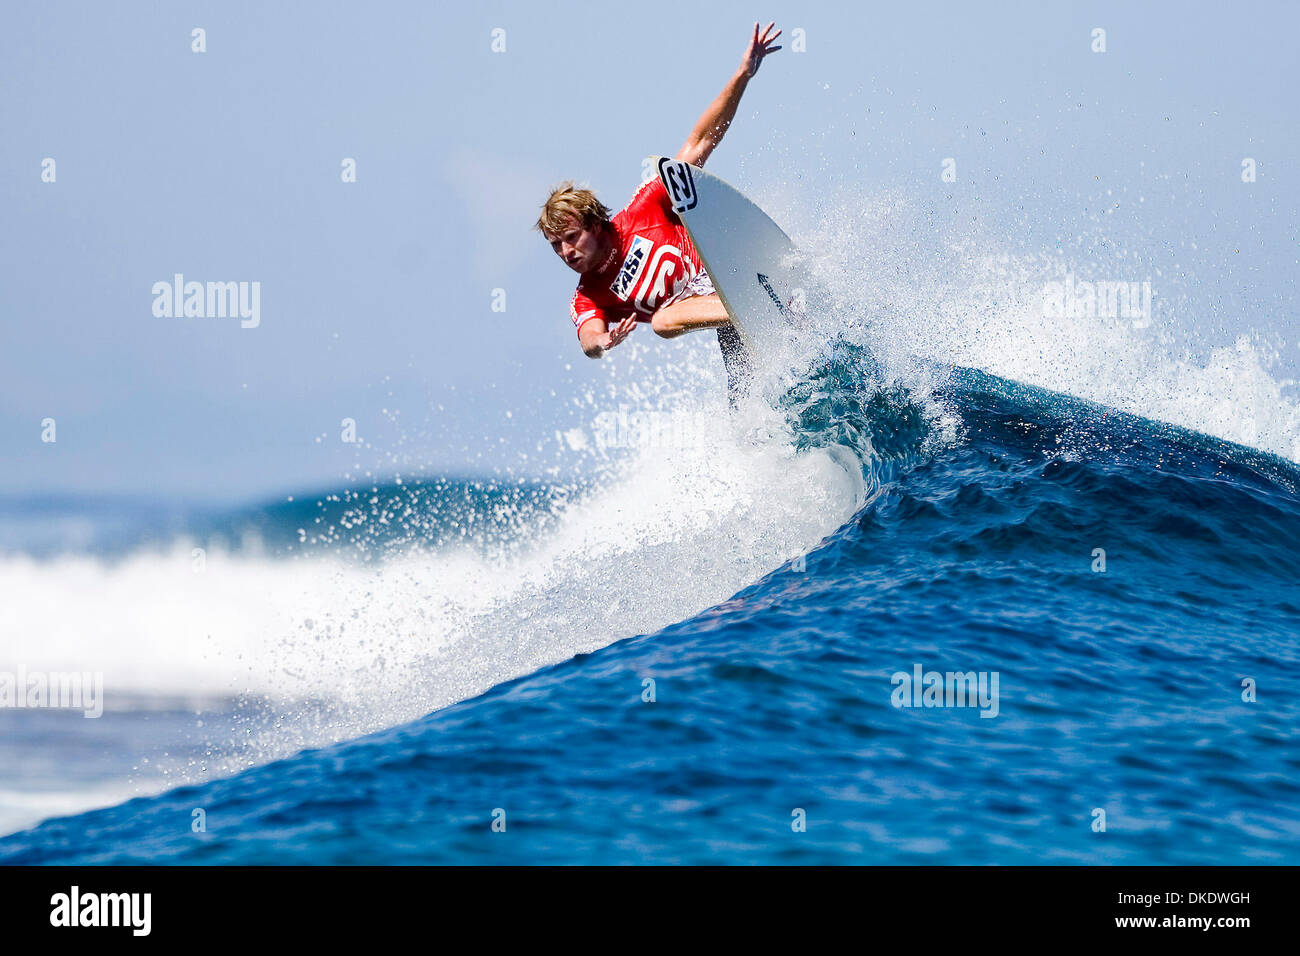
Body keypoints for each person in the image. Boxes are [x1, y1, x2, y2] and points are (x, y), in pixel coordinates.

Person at [534, 22, 782, 402]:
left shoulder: (646, 204)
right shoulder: (589, 296)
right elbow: (588, 340)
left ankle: (764, 304)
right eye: (555, 246)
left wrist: (742, 75)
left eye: (571, 237)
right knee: (748, 410)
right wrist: (603, 340)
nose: (566, 252)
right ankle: (764, 316)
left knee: (664, 321)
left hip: (729, 268)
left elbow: (700, 142)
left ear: (596, 224)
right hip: (721, 313)